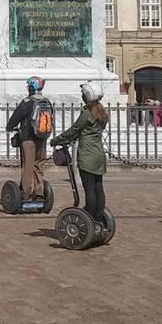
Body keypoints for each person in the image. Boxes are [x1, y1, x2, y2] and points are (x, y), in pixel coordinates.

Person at [52, 82, 109, 229]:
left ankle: (90, 217)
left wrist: (56, 140)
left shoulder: (87, 113)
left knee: (89, 189)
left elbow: (74, 130)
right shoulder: (102, 112)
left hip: (87, 155)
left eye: (83, 94)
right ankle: (98, 218)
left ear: (87, 96)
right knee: (98, 188)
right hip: (98, 154)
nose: (82, 97)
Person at [5, 76, 52, 203]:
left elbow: (16, 117)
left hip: (28, 139)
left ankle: (25, 193)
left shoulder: (27, 102)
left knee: (28, 166)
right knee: (39, 166)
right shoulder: (47, 102)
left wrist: (9, 127)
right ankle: (40, 192)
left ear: (31, 88)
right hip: (42, 138)